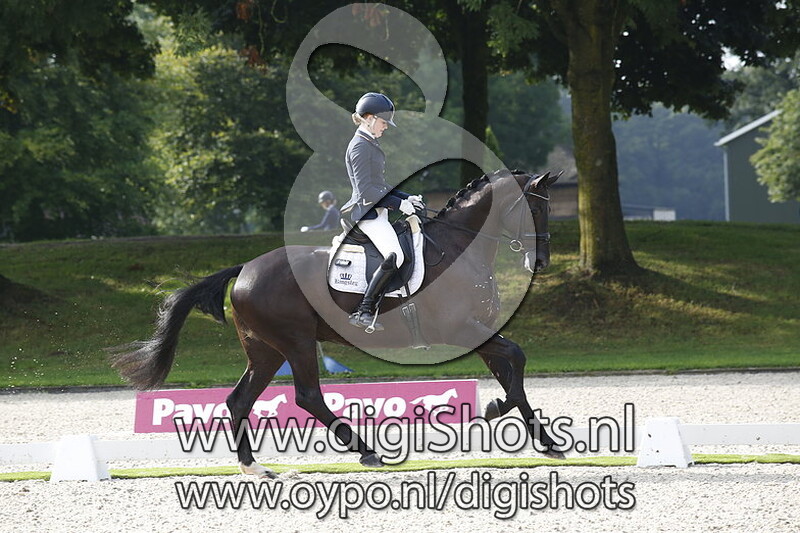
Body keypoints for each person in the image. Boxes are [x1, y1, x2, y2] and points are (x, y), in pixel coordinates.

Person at [340, 92, 424, 331]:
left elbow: (380, 185)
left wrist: (407, 198)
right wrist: (398, 205)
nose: (386, 126)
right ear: (368, 118)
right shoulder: (359, 146)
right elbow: (366, 191)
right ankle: (364, 310)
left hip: (378, 211)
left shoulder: (369, 143)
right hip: (367, 214)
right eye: (383, 122)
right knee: (395, 255)